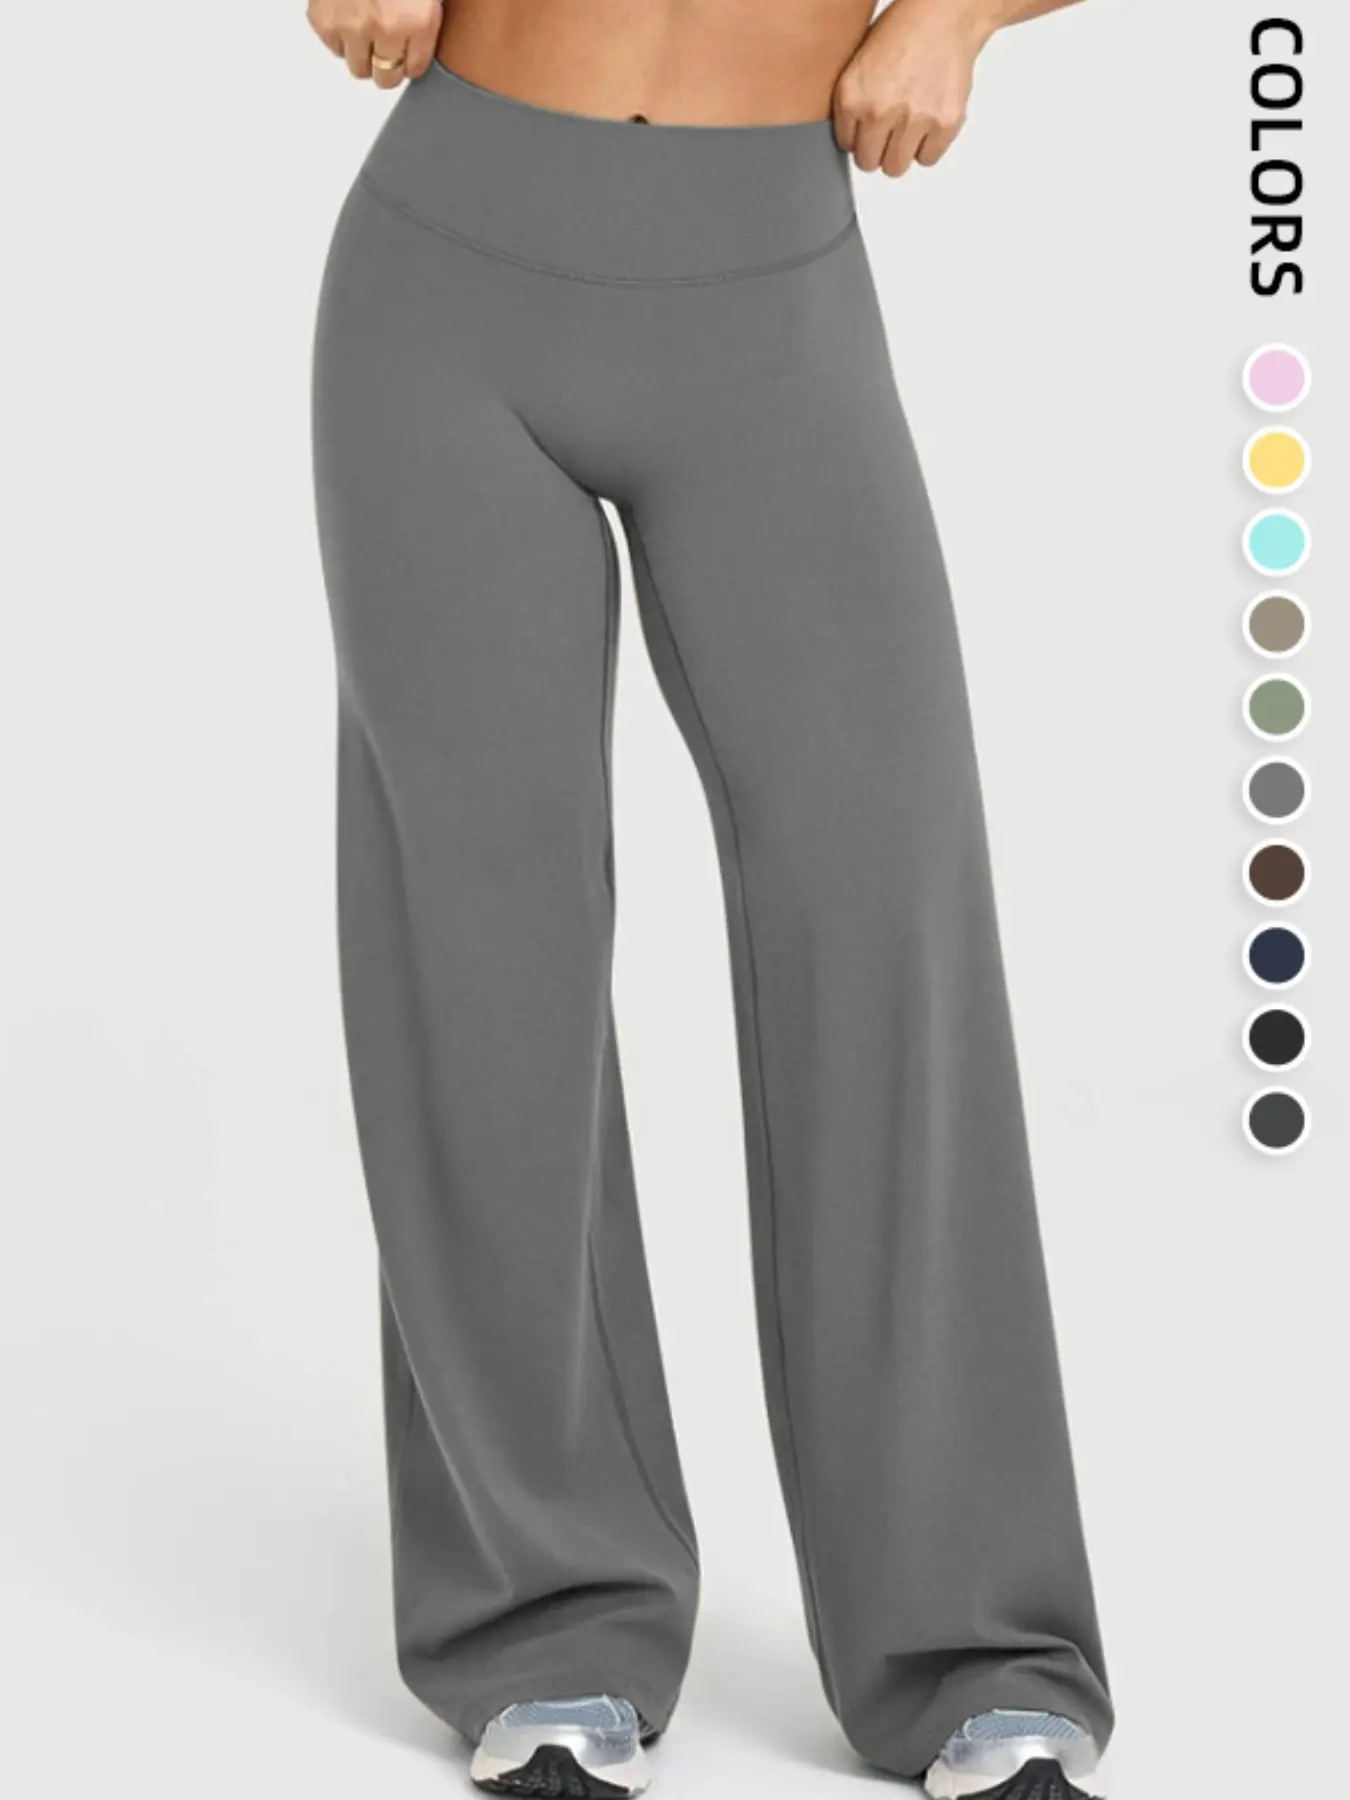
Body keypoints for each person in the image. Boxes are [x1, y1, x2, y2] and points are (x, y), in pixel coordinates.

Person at [305, 2, 1113, 1796]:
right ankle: (546, 1622)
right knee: (482, 945)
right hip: (446, 270)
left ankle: (971, 1638)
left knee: (882, 914)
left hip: (770, 286)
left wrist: (961, 13)